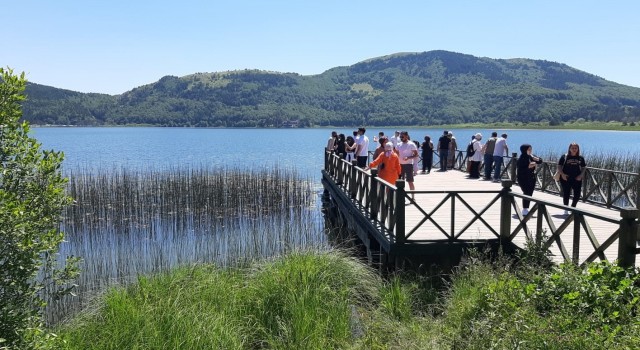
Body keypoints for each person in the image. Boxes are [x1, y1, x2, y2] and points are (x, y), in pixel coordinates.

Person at [557, 142, 586, 214]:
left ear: (578, 149)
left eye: (576, 148)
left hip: (577, 178)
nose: (574, 149)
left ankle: (573, 207)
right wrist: (562, 174)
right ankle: (566, 209)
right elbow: (559, 166)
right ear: (569, 148)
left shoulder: (580, 158)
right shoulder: (564, 157)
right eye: (572, 148)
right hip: (566, 177)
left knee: (577, 194)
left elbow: (584, 167)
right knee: (566, 193)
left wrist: (581, 175)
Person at [516, 144, 543, 216]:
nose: (530, 151)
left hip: (531, 177)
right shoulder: (522, 158)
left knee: (530, 192)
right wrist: (528, 166)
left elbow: (540, 161)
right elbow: (520, 169)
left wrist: (537, 159)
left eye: (531, 149)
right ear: (524, 150)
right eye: (529, 149)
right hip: (523, 178)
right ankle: (525, 209)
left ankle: (526, 208)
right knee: (526, 192)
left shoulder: (531, 156)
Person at [397, 131, 419, 199]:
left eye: (402, 136)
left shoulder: (411, 144)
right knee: (400, 182)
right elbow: (396, 154)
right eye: (400, 137)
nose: (401, 138)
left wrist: (408, 157)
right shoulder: (398, 144)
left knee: (410, 181)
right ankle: (401, 197)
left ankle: (413, 198)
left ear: (406, 136)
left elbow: (416, 155)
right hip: (400, 165)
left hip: (408, 165)